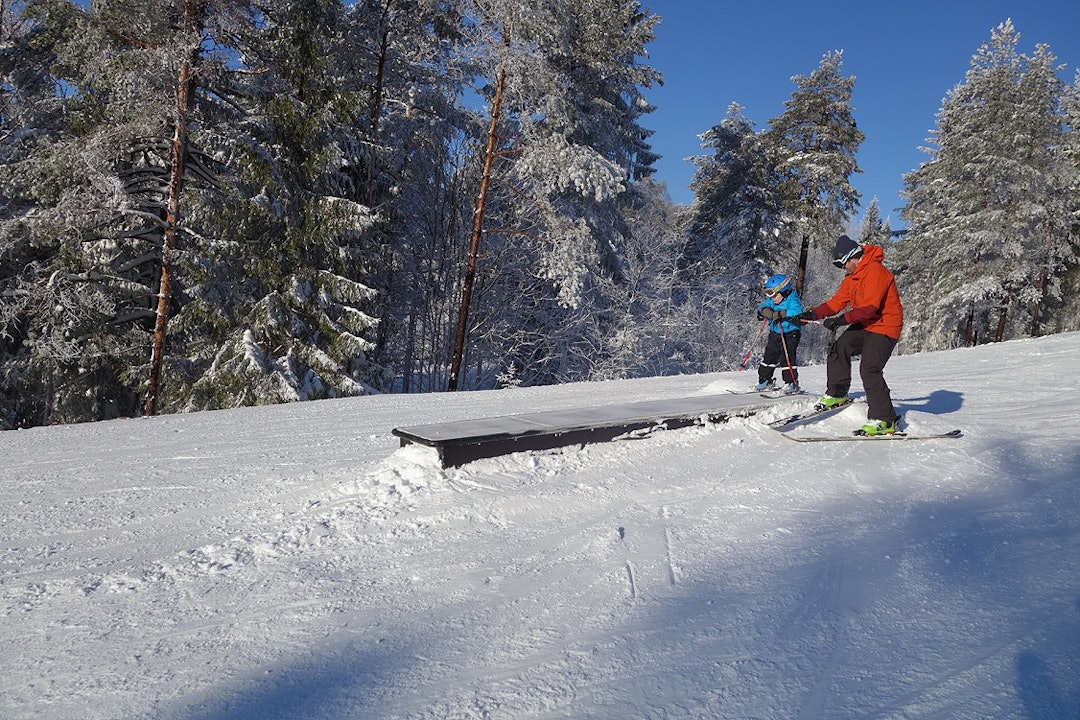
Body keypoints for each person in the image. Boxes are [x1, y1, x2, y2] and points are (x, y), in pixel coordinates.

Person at [795, 234, 904, 435]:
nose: (842, 268)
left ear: (853, 256)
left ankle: (885, 419)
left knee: (870, 369)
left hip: (885, 326)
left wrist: (841, 320)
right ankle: (837, 393)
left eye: (842, 264)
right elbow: (837, 302)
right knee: (840, 347)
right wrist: (811, 314)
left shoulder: (875, 272)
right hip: (866, 325)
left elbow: (870, 308)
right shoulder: (852, 278)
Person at [755, 273, 804, 394]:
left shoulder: (792, 299)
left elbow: (797, 310)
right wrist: (765, 311)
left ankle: (791, 382)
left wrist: (782, 314)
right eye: (769, 295)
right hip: (775, 333)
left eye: (774, 295)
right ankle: (765, 379)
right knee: (769, 356)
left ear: (785, 291)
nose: (772, 298)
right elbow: (763, 305)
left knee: (786, 357)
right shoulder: (772, 300)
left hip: (790, 333)